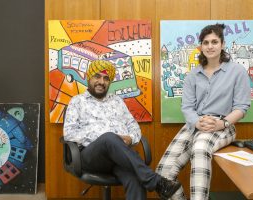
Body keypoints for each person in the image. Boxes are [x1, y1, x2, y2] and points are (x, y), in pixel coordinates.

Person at [156, 24, 251, 200]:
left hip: (223, 125)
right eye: (206, 42)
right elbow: (187, 107)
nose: (210, 46)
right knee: (162, 174)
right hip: (194, 124)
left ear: (222, 44)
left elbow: (241, 107)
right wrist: (196, 122)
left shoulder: (237, 71)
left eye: (214, 41)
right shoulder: (193, 75)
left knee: (199, 148)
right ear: (201, 46)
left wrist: (222, 123)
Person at [63, 60, 181, 200]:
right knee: (108, 138)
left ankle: (152, 180)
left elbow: (133, 126)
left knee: (135, 177)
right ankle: (156, 182)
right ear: (89, 78)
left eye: (106, 78)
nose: (101, 81)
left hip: (119, 157)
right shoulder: (77, 101)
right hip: (90, 156)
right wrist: (105, 138)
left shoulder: (117, 101)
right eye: (97, 76)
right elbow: (69, 133)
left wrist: (131, 138)